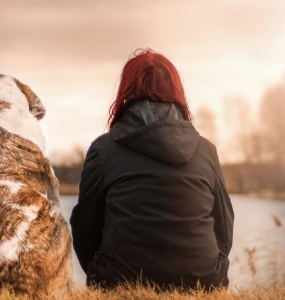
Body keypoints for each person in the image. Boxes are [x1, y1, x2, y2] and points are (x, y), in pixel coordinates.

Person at [70, 48, 234, 290]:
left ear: (126, 92)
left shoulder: (103, 150)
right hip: (203, 282)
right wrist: (210, 268)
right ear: (176, 92)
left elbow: (85, 227)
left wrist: (100, 273)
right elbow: (224, 225)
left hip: (119, 282)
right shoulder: (206, 150)